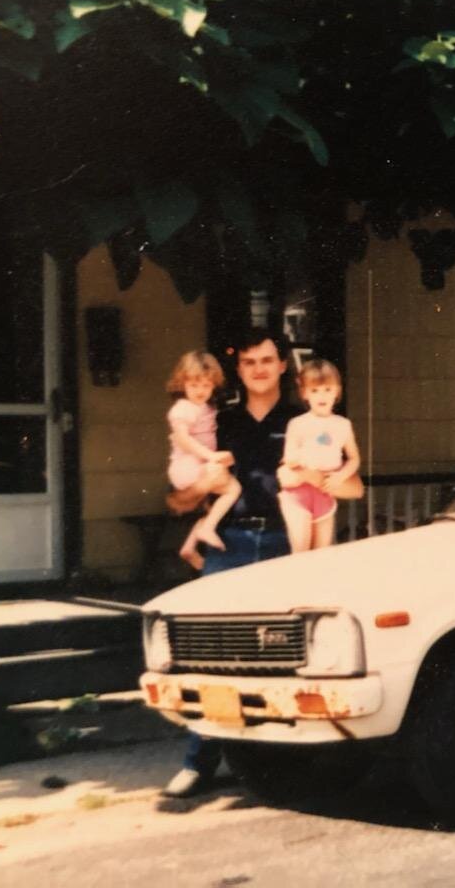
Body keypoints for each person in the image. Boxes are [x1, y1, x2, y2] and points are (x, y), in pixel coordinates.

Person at [163, 328, 297, 798]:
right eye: (248, 362)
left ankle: (285, 759)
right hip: (231, 541)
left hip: (286, 542)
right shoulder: (220, 420)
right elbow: (179, 500)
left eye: (267, 360)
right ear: (238, 370)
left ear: (283, 364)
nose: (258, 369)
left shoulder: (306, 416)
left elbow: (344, 485)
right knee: (209, 649)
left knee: (288, 653)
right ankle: (200, 761)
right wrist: (200, 489)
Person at [165, 351, 242, 570]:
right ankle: (206, 530)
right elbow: (182, 438)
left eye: (206, 386)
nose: (201, 391)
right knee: (233, 489)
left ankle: (189, 547)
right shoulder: (184, 408)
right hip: (187, 466)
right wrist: (211, 457)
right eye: (195, 385)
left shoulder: (206, 408)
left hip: (196, 466)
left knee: (212, 509)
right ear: (183, 383)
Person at [277, 359, 361, 553]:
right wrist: (302, 461)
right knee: (300, 551)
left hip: (325, 492)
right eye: (314, 391)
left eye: (327, 389)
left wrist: (341, 476)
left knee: (321, 554)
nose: (321, 396)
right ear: (304, 393)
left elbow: (354, 458)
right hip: (299, 493)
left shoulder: (343, 425)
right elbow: (288, 456)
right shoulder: (297, 424)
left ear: (337, 391)